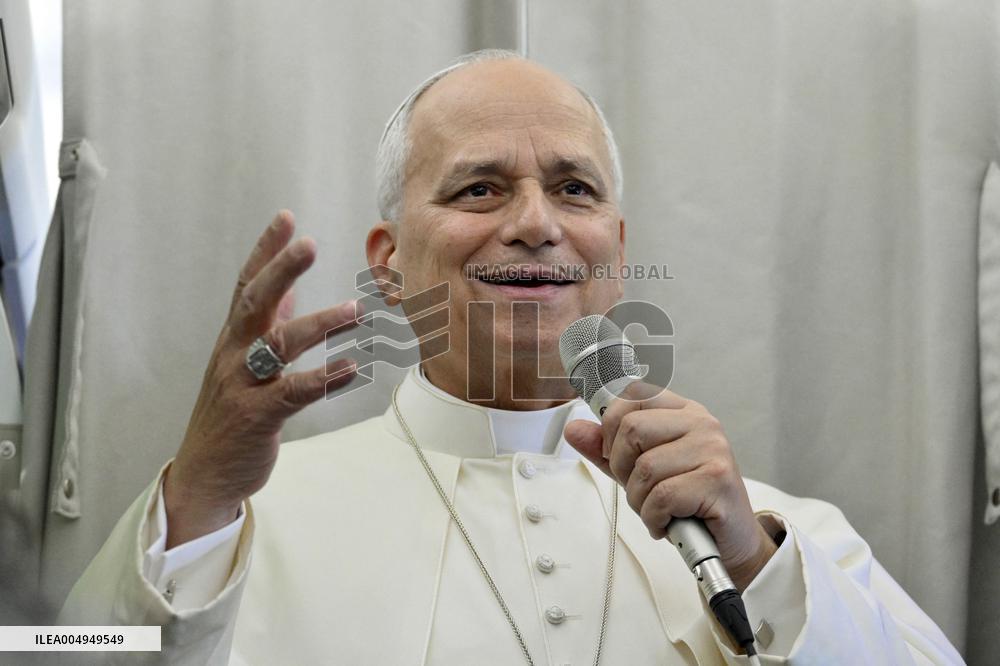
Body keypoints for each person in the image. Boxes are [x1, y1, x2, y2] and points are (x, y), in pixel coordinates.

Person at [60, 50, 962, 665]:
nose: (535, 224)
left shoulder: (769, 530)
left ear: (614, 246)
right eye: (480, 187)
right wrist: (200, 496)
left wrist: (758, 570)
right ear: (389, 260)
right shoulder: (223, 523)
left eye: (573, 189)